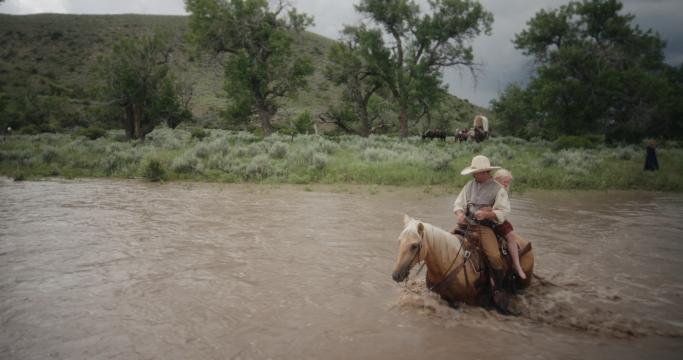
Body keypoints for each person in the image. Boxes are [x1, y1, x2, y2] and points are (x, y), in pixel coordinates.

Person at [453, 155, 510, 302]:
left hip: (483, 227)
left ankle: (498, 287)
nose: (473, 174)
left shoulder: (498, 189)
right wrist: (459, 213)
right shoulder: (469, 186)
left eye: (476, 172)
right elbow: (459, 203)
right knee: (446, 241)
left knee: (495, 256)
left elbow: (503, 211)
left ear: (485, 172)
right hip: (465, 223)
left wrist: (487, 214)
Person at [490, 169, 526, 280]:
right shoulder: (493, 190)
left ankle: (517, 265)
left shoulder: (501, 191)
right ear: (496, 180)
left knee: (510, 236)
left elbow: (503, 210)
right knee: (511, 236)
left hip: (495, 219)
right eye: (504, 181)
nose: (506, 184)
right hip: (489, 220)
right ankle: (517, 265)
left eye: (508, 182)